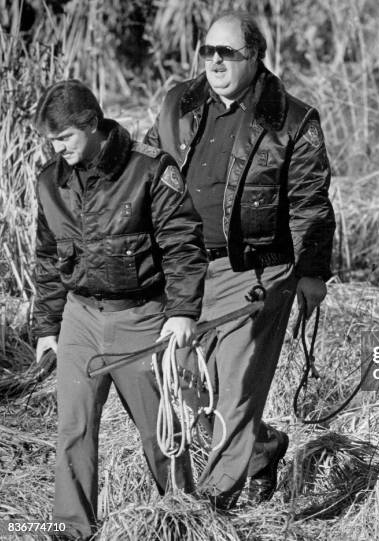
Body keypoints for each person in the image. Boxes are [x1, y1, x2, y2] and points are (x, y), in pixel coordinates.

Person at [144, 11, 335, 508]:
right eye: (208, 50)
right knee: (186, 383)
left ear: (255, 57)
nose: (214, 61)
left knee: (235, 390)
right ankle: (262, 450)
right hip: (185, 270)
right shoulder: (177, 104)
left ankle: (210, 503)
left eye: (227, 52)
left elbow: (311, 204)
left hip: (258, 270)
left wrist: (311, 273)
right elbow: (147, 171)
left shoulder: (292, 120)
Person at [33, 80, 207, 538]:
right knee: (73, 429)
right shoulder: (49, 182)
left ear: (91, 125)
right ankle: (71, 529)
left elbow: (182, 244)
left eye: (64, 138)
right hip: (80, 318)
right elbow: (49, 259)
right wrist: (46, 327)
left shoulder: (149, 169)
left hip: (142, 317)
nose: (56, 148)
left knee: (160, 433)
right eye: (50, 140)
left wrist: (183, 312)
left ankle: (182, 517)